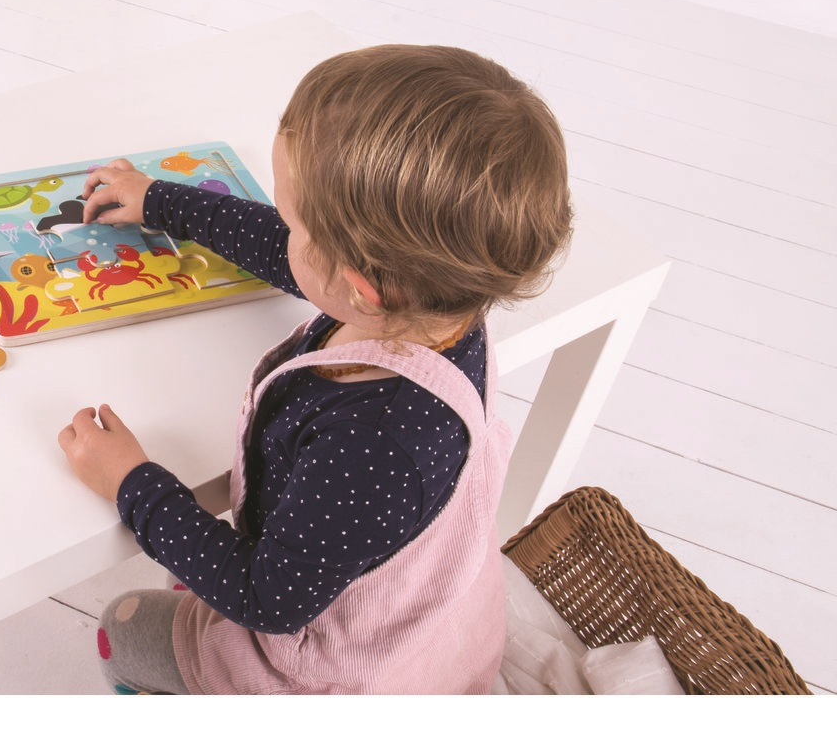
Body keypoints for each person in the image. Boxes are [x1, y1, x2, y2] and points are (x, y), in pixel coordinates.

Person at [57, 44, 573, 694]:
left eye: (294, 222)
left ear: (363, 287)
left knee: (121, 626)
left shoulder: (374, 443)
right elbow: (291, 256)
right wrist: (162, 202)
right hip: (416, 610)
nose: (283, 233)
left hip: (327, 674)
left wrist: (132, 484)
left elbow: (266, 598)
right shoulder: (444, 296)